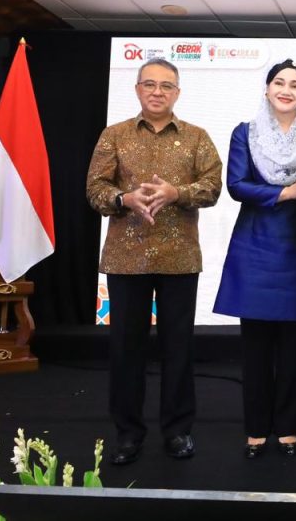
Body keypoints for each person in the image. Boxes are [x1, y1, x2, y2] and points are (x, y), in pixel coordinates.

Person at [86, 57, 222, 465]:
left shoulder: (197, 137)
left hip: (180, 259)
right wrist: (123, 199)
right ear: (137, 89)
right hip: (126, 259)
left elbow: (213, 186)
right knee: (126, 351)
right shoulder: (114, 135)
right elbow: (95, 189)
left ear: (177, 93)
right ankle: (128, 434)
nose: (157, 92)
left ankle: (178, 432)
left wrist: (177, 193)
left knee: (178, 350)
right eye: (150, 84)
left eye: (166, 86)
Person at [212, 59, 296, 459]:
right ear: (267, 89)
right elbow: (236, 185)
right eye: (279, 82)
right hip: (255, 248)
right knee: (256, 349)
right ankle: (256, 430)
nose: (286, 90)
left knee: (294, 349)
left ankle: (289, 429)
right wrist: (284, 193)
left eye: (295, 85)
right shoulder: (245, 133)